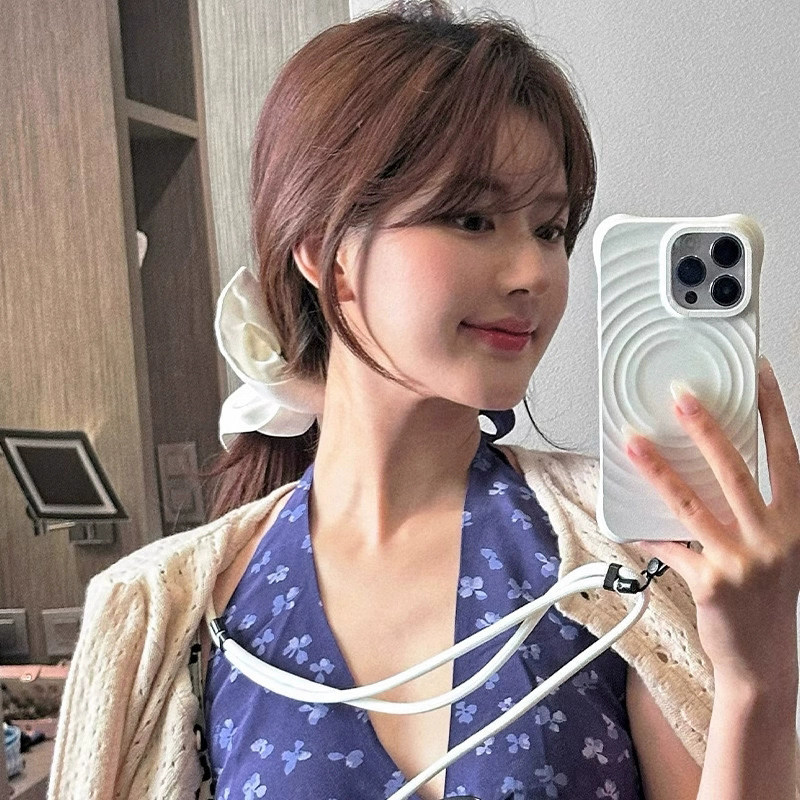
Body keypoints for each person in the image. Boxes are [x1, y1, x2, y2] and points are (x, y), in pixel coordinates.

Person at [47, 2, 800, 799]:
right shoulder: (172, 617)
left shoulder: (627, 559)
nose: (532, 273)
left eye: (549, 229)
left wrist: (758, 680)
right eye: (472, 219)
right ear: (328, 255)